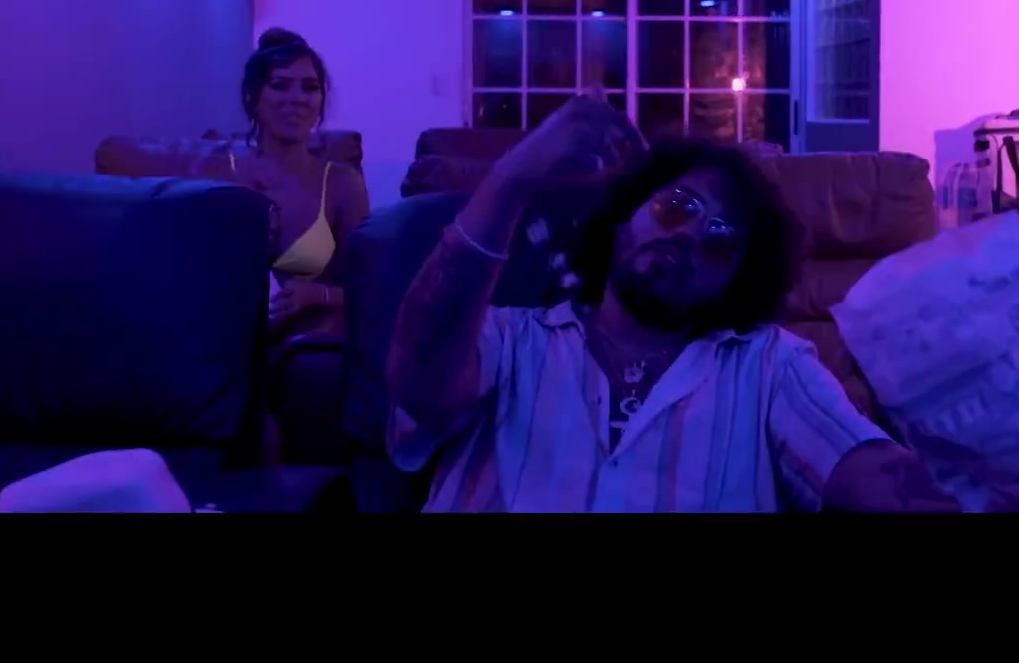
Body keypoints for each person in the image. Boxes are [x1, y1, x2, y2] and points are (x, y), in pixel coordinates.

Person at [385, 92, 963, 513]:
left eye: (720, 239)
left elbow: (869, 474)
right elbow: (419, 382)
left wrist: (980, 466)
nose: (690, 235)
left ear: (736, 281)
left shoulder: (769, 365)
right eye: (677, 207)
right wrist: (511, 179)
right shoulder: (510, 340)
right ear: (622, 217)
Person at [225, 28, 367, 340]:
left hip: (303, 344)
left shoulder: (342, 183)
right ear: (252, 97)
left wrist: (319, 295)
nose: (297, 99)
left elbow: (371, 288)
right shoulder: (224, 174)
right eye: (280, 85)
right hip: (226, 339)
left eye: (310, 88)